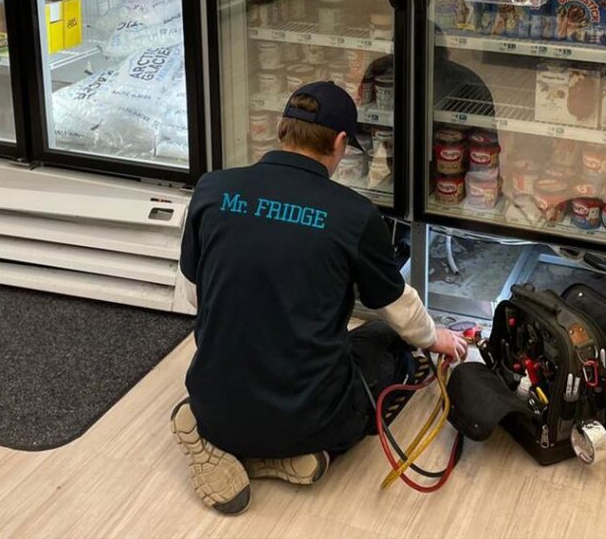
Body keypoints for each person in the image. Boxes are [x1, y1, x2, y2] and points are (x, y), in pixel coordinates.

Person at [171, 81, 467, 515]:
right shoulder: (354, 215)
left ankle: (216, 438)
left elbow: (195, 293)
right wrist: (434, 338)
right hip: (310, 420)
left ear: (281, 130)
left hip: (212, 401)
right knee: (391, 348)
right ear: (341, 143)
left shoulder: (212, 189)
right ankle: (284, 455)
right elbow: (398, 308)